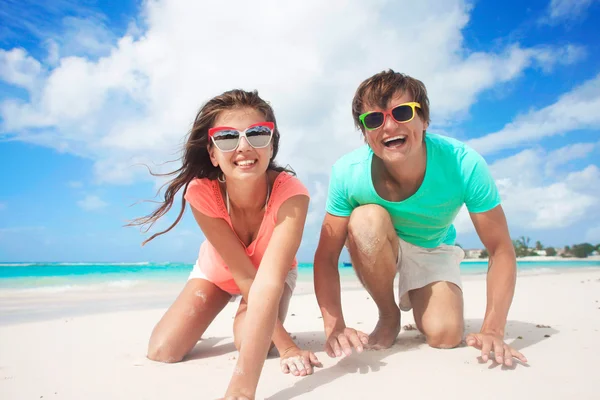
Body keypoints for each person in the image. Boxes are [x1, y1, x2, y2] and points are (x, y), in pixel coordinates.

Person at [313, 70, 528, 367]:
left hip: (432, 246)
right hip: (378, 241)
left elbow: (501, 249)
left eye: (402, 112)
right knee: (365, 220)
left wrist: (493, 328)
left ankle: (420, 294)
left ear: (424, 119)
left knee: (445, 336)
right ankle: (388, 314)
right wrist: (334, 328)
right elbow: (325, 257)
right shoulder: (347, 173)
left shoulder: (463, 163)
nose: (389, 126)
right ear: (364, 132)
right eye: (374, 119)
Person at [129, 89, 321, 400]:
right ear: (213, 152)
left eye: (258, 134)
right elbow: (242, 275)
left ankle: (250, 324)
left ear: (272, 145)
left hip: (270, 278)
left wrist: (242, 391)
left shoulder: (292, 195)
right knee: (163, 350)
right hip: (218, 274)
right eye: (228, 138)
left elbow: (265, 283)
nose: (244, 147)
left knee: (249, 341)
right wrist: (286, 343)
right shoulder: (201, 193)